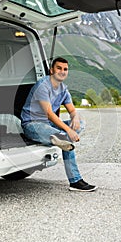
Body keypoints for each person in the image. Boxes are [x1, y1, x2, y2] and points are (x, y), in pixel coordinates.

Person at [21, 57, 97, 192]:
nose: (62, 71)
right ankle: (75, 180)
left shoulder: (63, 89)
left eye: (65, 69)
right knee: (66, 138)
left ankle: (57, 138)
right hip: (33, 124)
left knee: (81, 123)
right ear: (51, 70)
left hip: (49, 125)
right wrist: (69, 130)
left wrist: (75, 118)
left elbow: (72, 110)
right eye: (59, 68)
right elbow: (50, 113)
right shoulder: (43, 86)